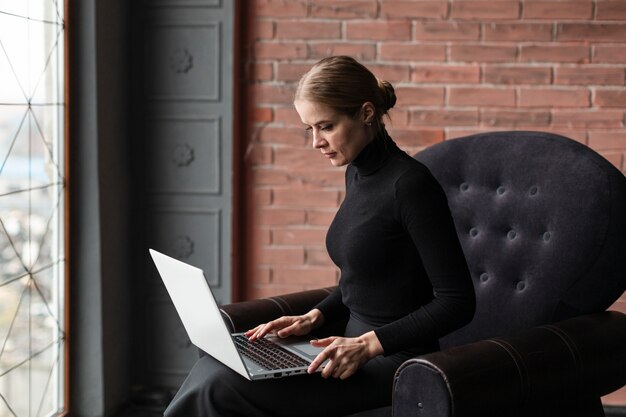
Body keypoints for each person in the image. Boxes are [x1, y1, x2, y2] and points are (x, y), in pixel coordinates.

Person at [164, 56, 475, 417]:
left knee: (219, 386)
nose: (315, 142)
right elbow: (367, 278)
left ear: (366, 113)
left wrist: (368, 345)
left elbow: (457, 301)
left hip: (393, 362)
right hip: (340, 345)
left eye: (325, 126)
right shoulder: (357, 174)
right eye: (309, 128)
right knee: (214, 368)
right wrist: (314, 316)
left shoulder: (411, 185)